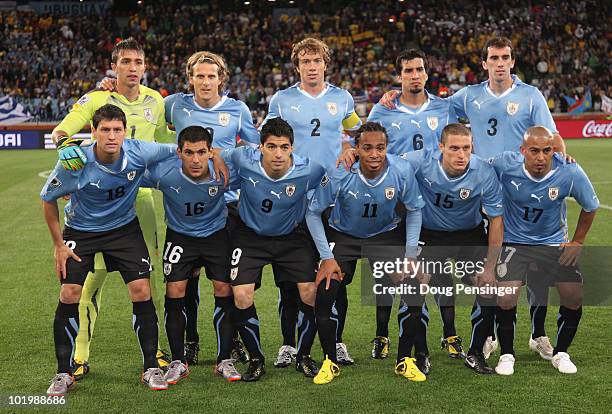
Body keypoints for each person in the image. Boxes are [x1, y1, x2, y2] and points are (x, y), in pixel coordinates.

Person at [380, 37, 567, 360]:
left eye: (505, 57)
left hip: (525, 191)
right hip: (482, 192)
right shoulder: (467, 96)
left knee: (535, 265)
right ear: (484, 63)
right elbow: (425, 103)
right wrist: (395, 96)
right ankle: (487, 337)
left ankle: (538, 334)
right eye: (493, 57)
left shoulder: (530, 95)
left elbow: (551, 137)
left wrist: (563, 164)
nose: (499, 63)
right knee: (492, 270)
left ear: (511, 61)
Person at [51, 38, 175, 378]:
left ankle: (156, 351)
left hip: (141, 204)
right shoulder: (96, 99)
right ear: (114, 65)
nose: (132, 68)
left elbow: (165, 147)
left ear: (145, 66)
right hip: (94, 203)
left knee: (148, 281)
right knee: (90, 282)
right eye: (126, 62)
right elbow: (61, 131)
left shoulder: (156, 102)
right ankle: (79, 355)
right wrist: (68, 152)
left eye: (138, 62)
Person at [338, 49, 460, 360]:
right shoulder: (383, 110)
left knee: (437, 269)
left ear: (427, 73)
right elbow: (363, 142)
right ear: (399, 76)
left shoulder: (447, 108)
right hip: (396, 204)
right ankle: (382, 335)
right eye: (408, 71)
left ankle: (449, 333)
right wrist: (346, 146)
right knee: (389, 273)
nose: (415, 75)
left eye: (419, 69)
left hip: (435, 203)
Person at [263, 37, 362, 367]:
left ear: (325, 63)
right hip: (291, 198)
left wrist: (354, 146)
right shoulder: (282, 99)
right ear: (297, 66)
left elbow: (358, 132)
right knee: (290, 277)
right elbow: (266, 140)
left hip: (333, 198)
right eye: (305, 62)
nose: (312, 67)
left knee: (337, 273)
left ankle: (338, 342)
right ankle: (289, 344)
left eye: (317, 61)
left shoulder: (342, 98)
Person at [306, 122, 425, 384]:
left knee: (414, 289)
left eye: (380, 148)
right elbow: (313, 212)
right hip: (344, 235)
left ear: (386, 148)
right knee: (326, 290)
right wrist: (326, 257)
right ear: (356, 149)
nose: (374, 154)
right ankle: (329, 361)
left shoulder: (401, 171)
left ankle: (405, 360)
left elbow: (415, 210)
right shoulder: (340, 172)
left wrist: (410, 257)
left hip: (385, 235)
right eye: (367, 148)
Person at [163, 51, 259, 365]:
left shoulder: (237, 109)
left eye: (211, 76)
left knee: (228, 282)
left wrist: (219, 152)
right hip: (187, 207)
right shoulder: (174, 104)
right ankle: (191, 340)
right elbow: (144, 109)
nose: (205, 82)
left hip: (228, 207)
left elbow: (256, 147)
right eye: (200, 76)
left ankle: (230, 344)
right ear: (190, 78)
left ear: (221, 79)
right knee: (185, 282)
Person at [220, 117, 326, 381]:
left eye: (284, 147)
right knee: (241, 295)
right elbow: (218, 153)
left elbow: (329, 184)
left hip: (291, 237)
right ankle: (256, 359)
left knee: (310, 292)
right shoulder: (244, 158)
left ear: (292, 147)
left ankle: (303, 355)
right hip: (250, 236)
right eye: (271, 146)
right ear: (260, 147)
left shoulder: (310, 169)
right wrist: (216, 156)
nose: (278, 154)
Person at [490, 126, 598, 375]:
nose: (541, 157)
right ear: (522, 150)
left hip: (553, 243)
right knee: (506, 297)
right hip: (515, 242)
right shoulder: (506, 164)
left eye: (547, 151)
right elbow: (477, 167)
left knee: (573, 296)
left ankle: (561, 353)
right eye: (534, 151)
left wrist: (577, 242)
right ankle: (506, 354)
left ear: (554, 150)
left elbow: (590, 206)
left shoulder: (569, 171)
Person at [141, 125, 244, 383]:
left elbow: (259, 171)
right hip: (180, 237)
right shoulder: (164, 173)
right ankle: (178, 361)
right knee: (174, 292)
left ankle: (224, 360)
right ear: (179, 152)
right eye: (189, 152)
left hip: (217, 237)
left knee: (224, 290)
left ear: (211, 152)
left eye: (202, 152)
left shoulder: (223, 171)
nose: (195, 159)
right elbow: (126, 174)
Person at [401, 123, 504, 374]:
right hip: (429, 235)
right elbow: (383, 162)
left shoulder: (483, 172)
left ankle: (476, 352)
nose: (461, 155)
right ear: (441, 148)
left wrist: (490, 267)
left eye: (466, 148)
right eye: (454, 148)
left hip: (468, 236)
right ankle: (421, 353)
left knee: (489, 285)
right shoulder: (419, 162)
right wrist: (351, 152)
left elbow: (496, 220)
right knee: (415, 287)